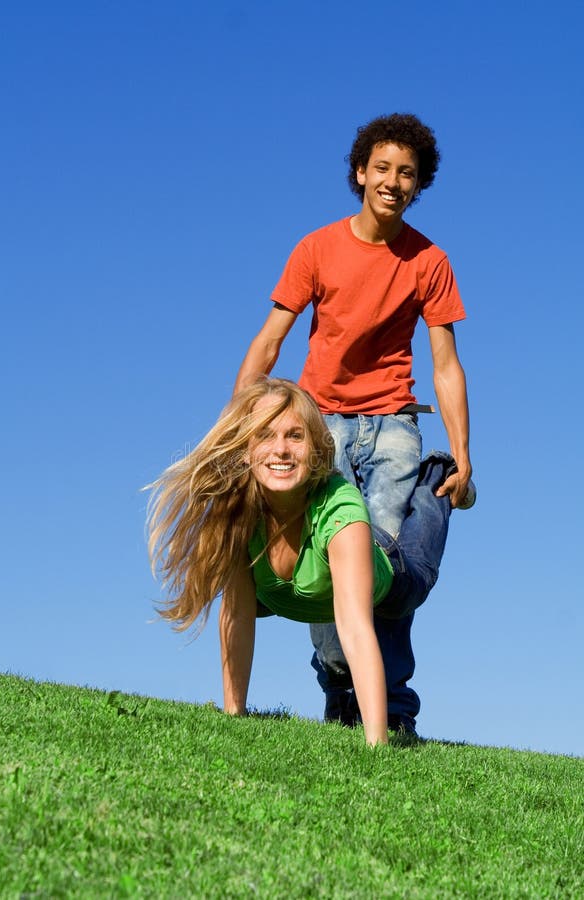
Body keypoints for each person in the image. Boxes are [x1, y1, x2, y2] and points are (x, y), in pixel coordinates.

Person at [233, 113, 473, 735]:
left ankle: (390, 709)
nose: (394, 182)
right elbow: (270, 342)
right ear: (361, 173)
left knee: (376, 570)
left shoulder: (430, 260)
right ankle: (342, 689)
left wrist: (463, 452)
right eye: (383, 168)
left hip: (394, 425)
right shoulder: (316, 248)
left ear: (419, 184)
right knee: (325, 552)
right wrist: (239, 427)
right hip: (321, 424)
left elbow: (446, 364)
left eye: (408, 174)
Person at [146, 378, 461, 747]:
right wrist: (234, 715)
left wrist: (377, 747)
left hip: (392, 577)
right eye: (265, 435)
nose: (281, 449)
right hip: (311, 582)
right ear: (245, 450)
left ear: (315, 450)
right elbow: (237, 613)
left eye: (295, 436)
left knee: (420, 536)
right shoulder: (238, 510)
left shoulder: (341, 508)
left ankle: (438, 476)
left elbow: (356, 630)